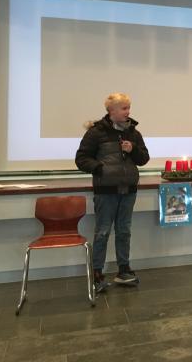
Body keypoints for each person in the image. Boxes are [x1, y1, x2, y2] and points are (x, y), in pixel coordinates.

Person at [75, 93, 150, 293]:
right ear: (112, 111)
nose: (128, 111)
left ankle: (123, 270)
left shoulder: (134, 133)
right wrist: (101, 169)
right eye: (124, 108)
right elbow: (81, 159)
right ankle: (97, 273)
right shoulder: (96, 133)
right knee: (102, 231)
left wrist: (133, 149)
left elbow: (144, 159)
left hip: (129, 190)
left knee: (124, 230)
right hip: (105, 191)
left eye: (128, 107)